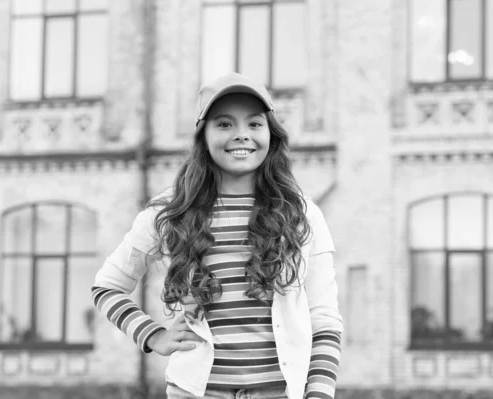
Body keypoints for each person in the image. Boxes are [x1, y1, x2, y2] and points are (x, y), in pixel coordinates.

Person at [91, 72, 343, 399]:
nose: (241, 135)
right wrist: (153, 336)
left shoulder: (302, 214)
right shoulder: (169, 211)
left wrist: (320, 395)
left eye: (254, 124)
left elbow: (324, 321)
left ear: (271, 133)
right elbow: (107, 287)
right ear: (203, 136)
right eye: (224, 124)